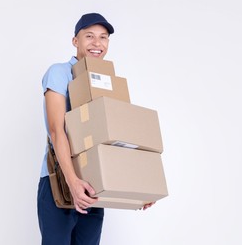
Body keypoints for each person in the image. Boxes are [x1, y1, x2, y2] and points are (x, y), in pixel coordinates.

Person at [37, 13, 154, 245]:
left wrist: (140, 191)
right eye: (89, 36)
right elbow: (56, 130)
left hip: (93, 186)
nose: (97, 43)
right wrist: (72, 182)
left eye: (103, 37)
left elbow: (114, 142)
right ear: (75, 41)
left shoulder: (105, 81)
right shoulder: (59, 72)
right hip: (60, 182)